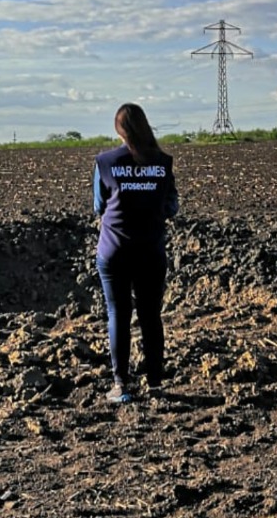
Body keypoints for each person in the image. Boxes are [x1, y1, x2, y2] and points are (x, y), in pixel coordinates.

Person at [93, 103, 179, 404]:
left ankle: (120, 385)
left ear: (119, 130)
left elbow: (98, 205)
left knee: (118, 313)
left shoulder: (105, 161)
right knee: (150, 316)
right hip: (150, 251)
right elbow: (172, 206)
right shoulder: (163, 162)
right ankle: (155, 383)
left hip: (114, 251)